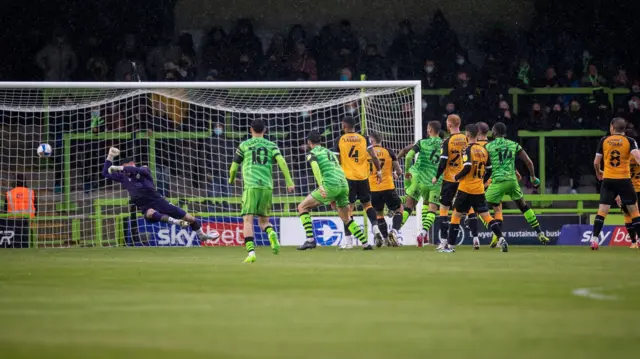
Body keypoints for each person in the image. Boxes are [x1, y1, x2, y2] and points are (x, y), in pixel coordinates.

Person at [103, 147, 217, 243]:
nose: (132, 165)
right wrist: (110, 156)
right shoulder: (123, 177)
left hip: (158, 200)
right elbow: (105, 173)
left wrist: (118, 167)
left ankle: (201, 235)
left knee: (190, 218)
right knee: (149, 213)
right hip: (144, 205)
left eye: (132, 164)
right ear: (126, 165)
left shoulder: (143, 169)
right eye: (129, 164)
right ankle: (177, 222)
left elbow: (140, 170)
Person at [228, 119, 295, 263]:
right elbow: (282, 162)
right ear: (265, 130)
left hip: (251, 187)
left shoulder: (244, 145)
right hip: (266, 187)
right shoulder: (272, 145)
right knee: (264, 222)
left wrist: (231, 180)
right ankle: (271, 232)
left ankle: (251, 252)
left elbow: (233, 168)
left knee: (248, 221)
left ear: (250, 129)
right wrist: (289, 182)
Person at [297, 131, 373, 251]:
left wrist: (321, 185)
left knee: (302, 207)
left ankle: (310, 240)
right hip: (343, 184)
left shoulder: (312, 153)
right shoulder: (329, 152)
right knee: (346, 217)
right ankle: (365, 244)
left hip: (330, 185)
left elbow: (315, 168)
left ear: (309, 142)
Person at [484, 122, 550, 248]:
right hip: (512, 181)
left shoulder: (489, 146)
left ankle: (496, 234)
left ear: (494, 133)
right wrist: (532, 177)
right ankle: (540, 233)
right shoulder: (514, 145)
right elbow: (529, 162)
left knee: (482, 208)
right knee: (524, 207)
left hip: (497, 181)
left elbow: (487, 166)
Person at [446, 124, 507, 252]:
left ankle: (450, 246)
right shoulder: (484, 150)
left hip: (465, 188)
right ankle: (501, 239)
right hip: (479, 189)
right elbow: (489, 170)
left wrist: (457, 177)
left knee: (456, 215)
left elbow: (467, 166)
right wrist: (481, 181)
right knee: (487, 216)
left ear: (467, 135)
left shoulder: (467, 150)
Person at [590, 118, 640, 250]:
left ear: (612, 127)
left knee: (602, 211)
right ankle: (638, 240)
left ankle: (594, 240)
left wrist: (598, 171)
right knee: (634, 211)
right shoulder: (629, 141)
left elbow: (596, 162)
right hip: (624, 179)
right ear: (624, 129)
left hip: (608, 179)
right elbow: (638, 157)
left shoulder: (604, 140)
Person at [333, 116, 383, 248]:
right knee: (367, 205)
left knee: (347, 209)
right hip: (363, 177)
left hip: (347, 178)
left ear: (344, 125)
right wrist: (379, 171)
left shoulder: (340, 139)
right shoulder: (364, 138)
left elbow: (336, 161)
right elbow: (373, 156)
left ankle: (349, 241)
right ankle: (375, 227)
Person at [403, 121, 444, 247]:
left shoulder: (422, 142)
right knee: (432, 209)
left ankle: (395, 230)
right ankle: (422, 233)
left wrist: (407, 172)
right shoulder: (444, 143)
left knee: (415, 204)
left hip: (421, 180)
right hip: (436, 180)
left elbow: (409, 157)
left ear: (430, 130)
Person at [432, 115, 467, 249]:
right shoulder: (467, 139)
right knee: (459, 211)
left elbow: (443, 161)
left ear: (449, 125)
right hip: (464, 179)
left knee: (444, 209)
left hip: (449, 179)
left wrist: (437, 176)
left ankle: (444, 241)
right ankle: (475, 237)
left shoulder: (447, 141)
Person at [367, 132, 403, 248]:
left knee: (378, 213)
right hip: (388, 187)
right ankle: (394, 231)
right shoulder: (389, 151)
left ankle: (386, 239)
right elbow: (399, 171)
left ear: (371, 141)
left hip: (372, 188)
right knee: (399, 209)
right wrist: (395, 174)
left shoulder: (367, 152)